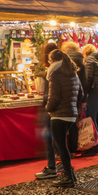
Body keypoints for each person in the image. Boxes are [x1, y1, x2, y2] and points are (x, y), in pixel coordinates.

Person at [45, 49, 83, 188]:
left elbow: (53, 98)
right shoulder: (73, 73)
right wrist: (74, 108)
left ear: (53, 61)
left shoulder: (55, 75)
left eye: (49, 60)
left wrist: (48, 108)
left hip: (59, 115)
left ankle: (68, 177)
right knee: (62, 146)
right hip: (71, 114)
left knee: (61, 147)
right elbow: (81, 94)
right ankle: (70, 175)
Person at [35, 41, 59, 179]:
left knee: (50, 137)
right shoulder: (64, 70)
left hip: (51, 109)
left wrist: (47, 108)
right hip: (56, 110)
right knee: (55, 138)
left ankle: (52, 167)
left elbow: (51, 94)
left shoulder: (52, 72)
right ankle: (58, 167)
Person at [61, 41, 86, 155]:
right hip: (78, 96)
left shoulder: (64, 61)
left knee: (62, 124)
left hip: (66, 95)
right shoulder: (82, 62)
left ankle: (63, 151)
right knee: (74, 123)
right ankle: (73, 150)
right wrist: (83, 99)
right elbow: (85, 82)